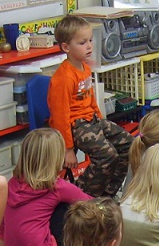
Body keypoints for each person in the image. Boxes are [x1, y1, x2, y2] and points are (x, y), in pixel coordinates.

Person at [48, 14, 133, 198]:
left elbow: (90, 97)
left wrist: (101, 120)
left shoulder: (85, 67)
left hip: (92, 120)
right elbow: (60, 115)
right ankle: (82, 195)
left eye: (90, 40)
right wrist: (68, 149)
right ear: (66, 47)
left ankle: (108, 194)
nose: (89, 46)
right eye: (82, 42)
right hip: (75, 124)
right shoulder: (63, 78)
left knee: (129, 144)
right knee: (108, 155)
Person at [0, 128, 91, 246]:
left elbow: (3, 224)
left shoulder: (12, 183)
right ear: (56, 158)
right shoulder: (56, 186)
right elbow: (89, 203)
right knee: (67, 208)